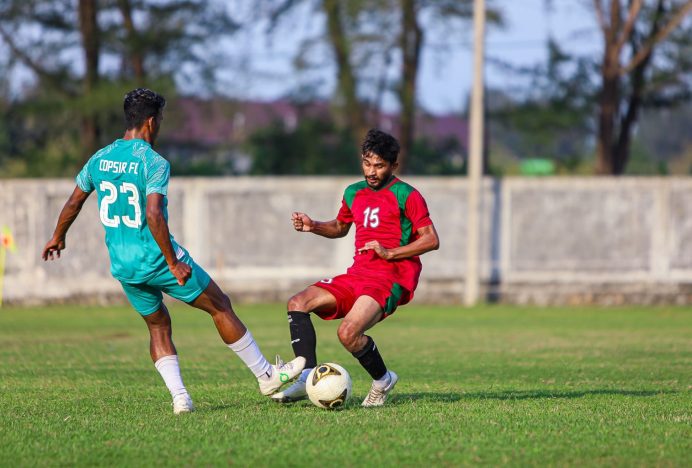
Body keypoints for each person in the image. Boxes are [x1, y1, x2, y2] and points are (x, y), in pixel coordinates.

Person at [41, 88, 304, 414]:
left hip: (123, 266)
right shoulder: (153, 162)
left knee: (158, 325)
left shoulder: (99, 158)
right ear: (152, 121)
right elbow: (153, 215)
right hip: (156, 259)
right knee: (220, 306)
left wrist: (57, 236)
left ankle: (180, 397)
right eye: (161, 119)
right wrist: (173, 262)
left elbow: (74, 201)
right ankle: (266, 375)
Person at [272, 128, 440, 407]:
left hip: (390, 277)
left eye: (379, 165)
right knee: (298, 302)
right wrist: (313, 225)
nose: (371, 171)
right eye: (367, 163)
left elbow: (431, 239)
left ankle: (383, 380)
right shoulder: (353, 193)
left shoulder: (407, 195)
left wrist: (390, 252)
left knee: (348, 333)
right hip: (357, 274)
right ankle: (305, 376)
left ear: (393, 165)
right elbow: (340, 227)